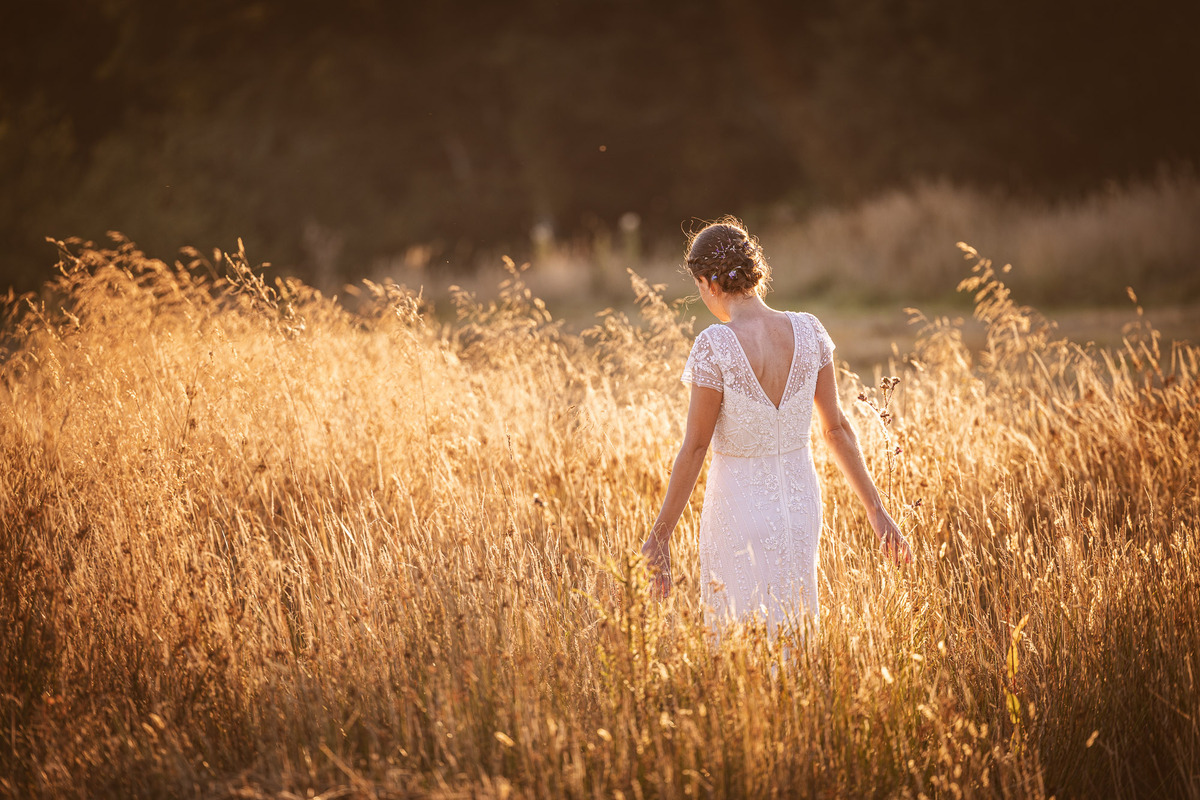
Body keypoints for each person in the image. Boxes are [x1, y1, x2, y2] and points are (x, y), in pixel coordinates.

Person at [640, 218, 913, 638]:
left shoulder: (714, 345)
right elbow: (836, 429)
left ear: (709, 283)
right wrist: (877, 512)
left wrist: (660, 536)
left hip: (737, 508)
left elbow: (694, 448)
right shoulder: (810, 331)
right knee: (795, 628)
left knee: (740, 640)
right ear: (754, 272)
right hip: (801, 507)